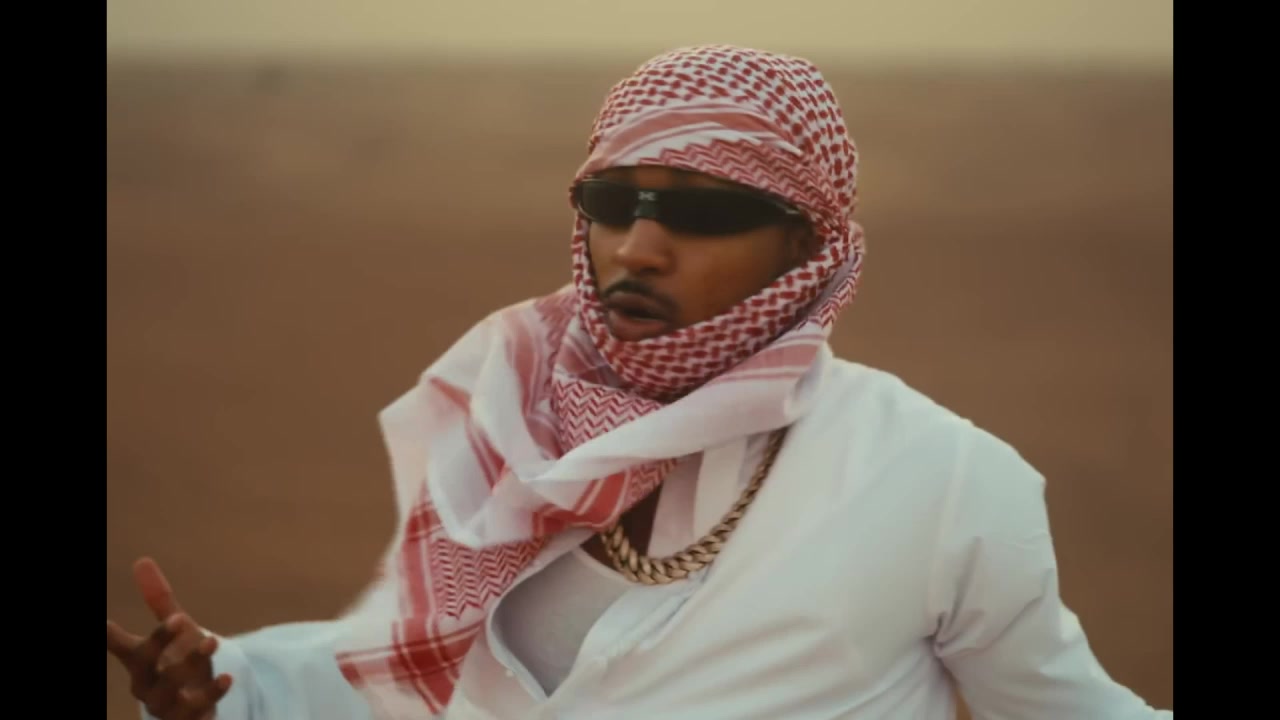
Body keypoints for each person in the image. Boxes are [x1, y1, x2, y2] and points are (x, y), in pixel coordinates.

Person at [106, 44, 1172, 720]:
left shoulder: (938, 479)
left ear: (807, 247)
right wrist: (230, 690)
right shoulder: (515, 418)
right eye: (614, 202)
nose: (639, 247)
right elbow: (413, 670)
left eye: (702, 212)